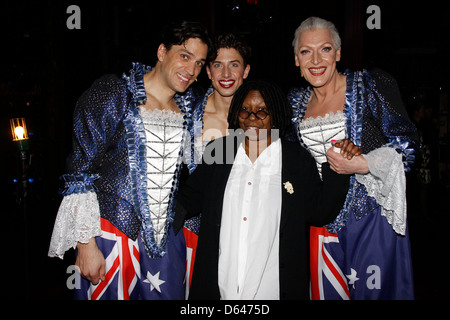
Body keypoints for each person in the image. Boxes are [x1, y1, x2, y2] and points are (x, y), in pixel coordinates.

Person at [48, 20, 212, 300]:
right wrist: (86, 245)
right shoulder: (114, 93)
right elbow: (79, 172)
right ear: (162, 51)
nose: (191, 70)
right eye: (184, 56)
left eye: (199, 63)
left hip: (167, 240)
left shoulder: (193, 108)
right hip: (112, 233)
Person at [174, 79, 353, 300]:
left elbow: (319, 212)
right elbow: (189, 198)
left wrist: (339, 164)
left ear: (275, 114)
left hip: (274, 288)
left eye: (262, 112)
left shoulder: (295, 158)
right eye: (245, 110)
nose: (251, 118)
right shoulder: (220, 150)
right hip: (220, 285)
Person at [288, 17, 420, 300]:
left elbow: (409, 147)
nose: (315, 60)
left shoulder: (370, 86)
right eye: (305, 51)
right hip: (319, 226)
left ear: (337, 53)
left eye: (324, 49)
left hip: (370, 221)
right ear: (296, 60)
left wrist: (363, 163)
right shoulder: (293, 104)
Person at [182, 32, 251, 296]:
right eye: (217, 65)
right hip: (195, 230)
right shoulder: (188, 113)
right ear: (208, 71)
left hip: (245, 230)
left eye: (234, 64)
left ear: (245, 70)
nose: (226, 72)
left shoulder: (261, 116)